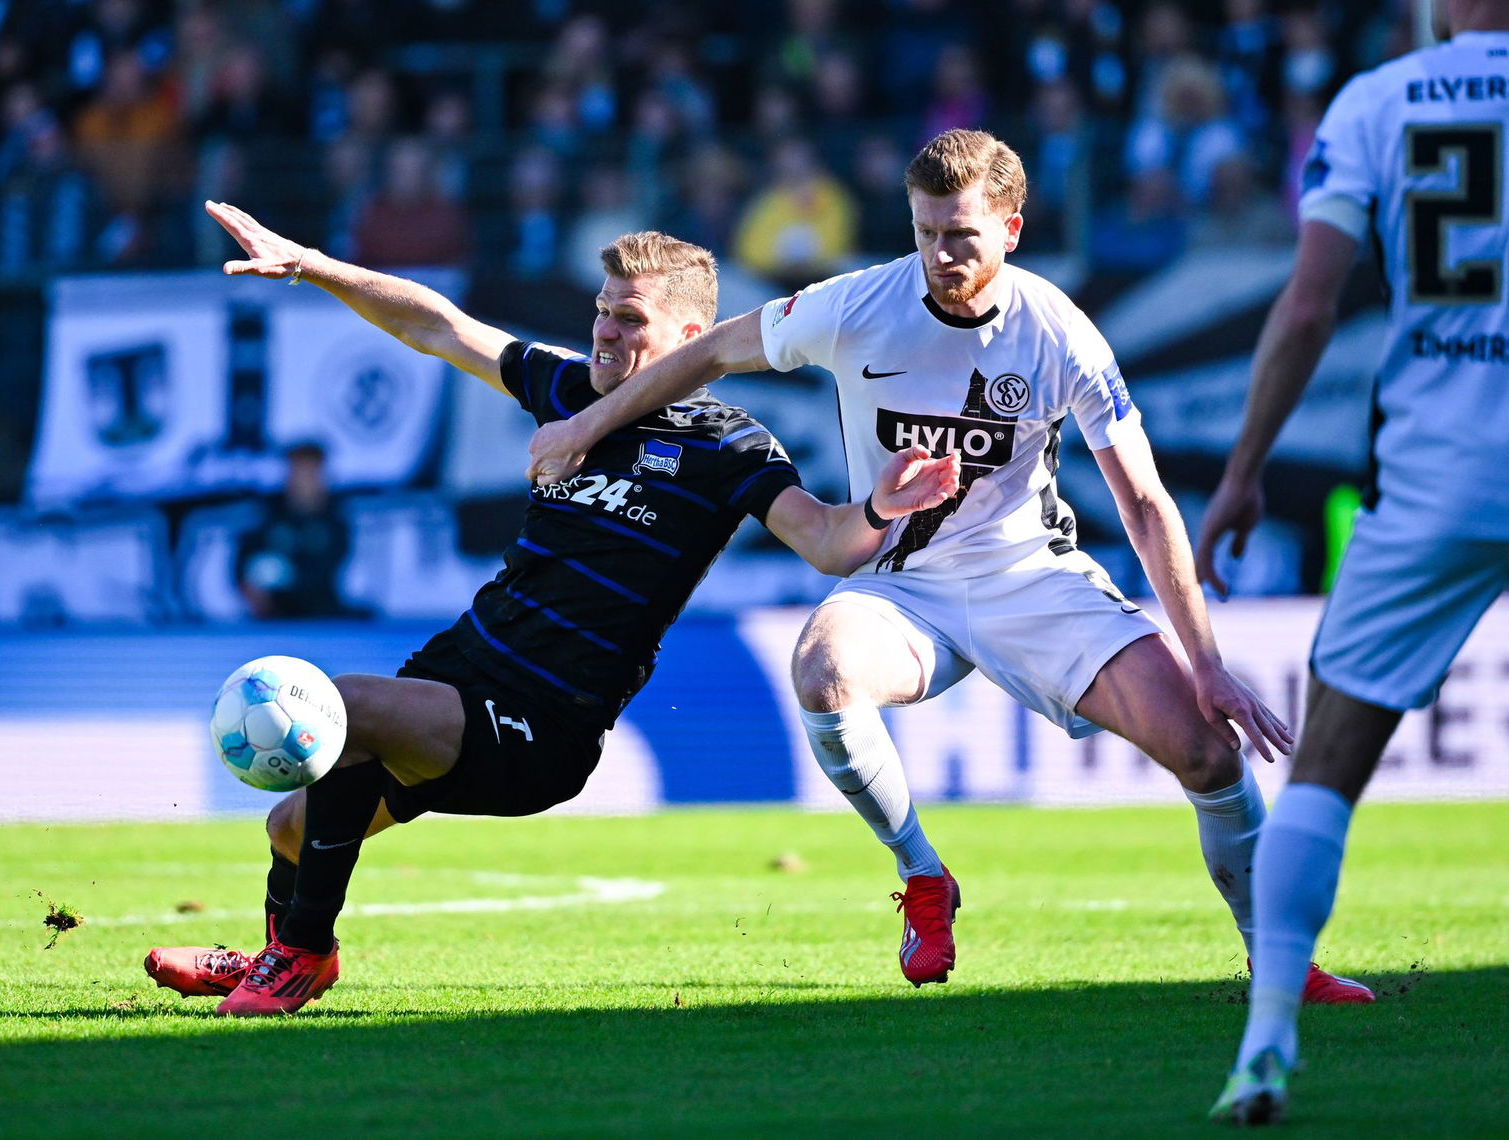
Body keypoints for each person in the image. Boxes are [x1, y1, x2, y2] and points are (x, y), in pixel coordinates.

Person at [527, 128, 1373, 1005]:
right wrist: (584, 429)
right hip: (903, 588)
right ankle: (925, 878)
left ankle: (1282, 961)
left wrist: (1205, 663)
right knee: (822, 671)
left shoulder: (1060, 332)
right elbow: (705, 353)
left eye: (961, 234)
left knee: (1205, 751)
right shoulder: (854, 305)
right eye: (925, 231)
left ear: (1010, 229)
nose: (939, 254)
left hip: (1032, 582)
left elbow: (1146, 504)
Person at [143, 201, 961, 1016]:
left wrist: (885, 507)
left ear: (690, 340)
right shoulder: (569, 389)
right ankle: (282, 954)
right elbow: (436, 326)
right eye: (601, 310)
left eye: (629, 317)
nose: (604, 331)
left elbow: (823, 540)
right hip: (461, 671)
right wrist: (314, 263)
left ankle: (298, 953)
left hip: (543, 719)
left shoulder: (728, 445)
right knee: (291, 828)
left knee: (339, 710)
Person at [1199, 2, 1509, 1125]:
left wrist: (1239, 472)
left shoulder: (1379, 100)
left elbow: (1311, 302)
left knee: (1326, 763)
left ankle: (1268, 1037)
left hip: (1436, 469)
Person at [233, 440, 362, 620]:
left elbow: (324, 571)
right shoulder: (268, 516)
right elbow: (243, 562)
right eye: (299, 470)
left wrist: (286, 577)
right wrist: (251, 587)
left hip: (322, 617)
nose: (305, 479)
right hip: (272, 619)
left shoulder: (335, 521)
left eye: (311, 471)